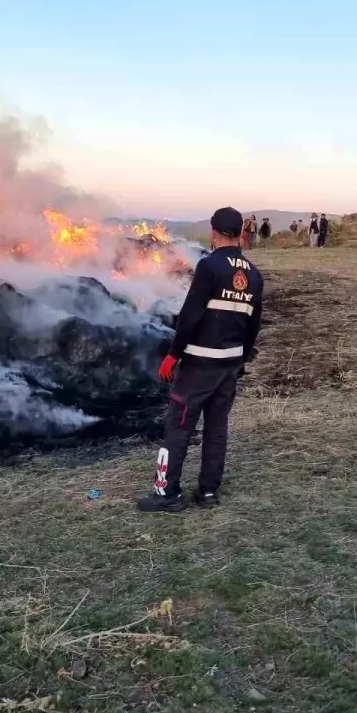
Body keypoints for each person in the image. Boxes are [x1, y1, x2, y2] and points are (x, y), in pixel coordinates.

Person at [138, 207, 264, 512]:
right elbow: (253, 324)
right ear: (242, 234)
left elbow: (191, 314)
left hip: (199, 363)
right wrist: (241, 359)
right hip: (229, 364)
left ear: (214, 232)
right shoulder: (254, 274)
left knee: (179, 426)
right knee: (217, 427)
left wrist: (172, 354)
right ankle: (208, 492)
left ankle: (167, 493)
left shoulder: (209, 266)